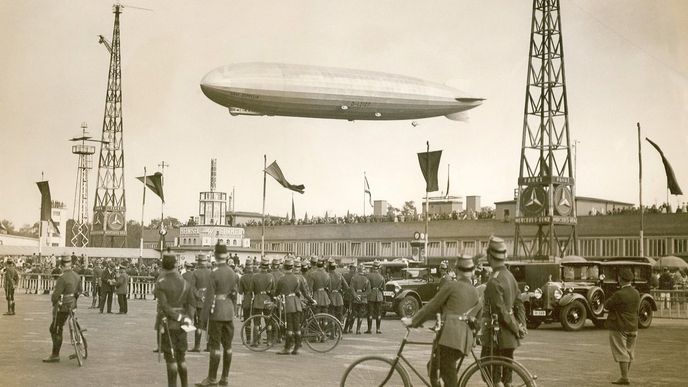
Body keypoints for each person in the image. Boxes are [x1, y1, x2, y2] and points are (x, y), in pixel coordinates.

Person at [402, 255, 481, 387]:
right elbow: (478, 315)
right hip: (464, 340)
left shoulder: (452, 286)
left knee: (448, 375)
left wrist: (413, 321)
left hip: (450, 338)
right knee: (433, 368)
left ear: (457, 270)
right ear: (472, 272)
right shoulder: (475, 291)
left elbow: (432, 305)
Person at [480, 236, 527, 386]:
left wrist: (515, 327)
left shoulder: (494, 281)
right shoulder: (510, 276)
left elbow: (501, 311)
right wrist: (521, 325)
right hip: (510, 337)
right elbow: (519, 303)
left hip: (496, 337)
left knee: (489, 373)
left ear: (489, 256)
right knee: (507, 377)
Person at [196, 243, 238, 387]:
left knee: (215, 346)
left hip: (217, 313)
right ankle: (225, 378)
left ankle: (212, 378)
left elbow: (208, 299)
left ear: (215, 255)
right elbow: (234, 294)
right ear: (226, 256)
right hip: (228, 312)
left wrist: (202, 322)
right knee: (228, 346)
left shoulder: (214, 273)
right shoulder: (232, 272)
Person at [155, 253, 196, 387]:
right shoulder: (185, 283)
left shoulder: (161, 283)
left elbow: (164, 306)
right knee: (181, 358)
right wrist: (187, 319)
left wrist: (177, 316)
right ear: (176, 265)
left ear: (164, 267)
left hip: (168, 324)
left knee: (171, 359)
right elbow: (191, 304)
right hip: (183, 325)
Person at [43, 255, 82, 363]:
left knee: (55, 329)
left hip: (63, 307)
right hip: (73, 306)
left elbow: (55, 296)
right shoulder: (77, 276)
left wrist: (54, 303)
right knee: (63, 324)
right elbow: (79, 291)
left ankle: (55, 355)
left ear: (62, 265)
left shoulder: (62, 278)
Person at [605, 268, 640, 385]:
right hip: (633, 326)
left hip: (619, 326)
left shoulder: (619, 294)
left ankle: (624, 377)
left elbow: (607, 305)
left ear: (620, 279)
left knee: (621, 351)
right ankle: (625, 375)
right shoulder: (636, 293)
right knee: (629, 352)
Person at [275, 257, 311, 355]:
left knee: (289, 327)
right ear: (292, 267)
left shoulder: (281, 279)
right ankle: (297, 348)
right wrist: (311, 300)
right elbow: (305, 293)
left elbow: (276, 292)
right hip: (297, 304)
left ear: (284, 267)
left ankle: (287, 348)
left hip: (288, 304)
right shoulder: (298, 278)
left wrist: (272, 295)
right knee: (297, 327)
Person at [189, 254, 212, 353]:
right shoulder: (211, 273)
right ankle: (209, 345)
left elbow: (192, 288)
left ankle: (197, 346)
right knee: (209, 324)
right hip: (210, 301)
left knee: (198, 324)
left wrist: (199, 295)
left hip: (199, 302)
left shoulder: (195, 273)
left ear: (198, 262)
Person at [365, 260, 385, 334]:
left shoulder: (368, 276)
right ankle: (378, 329)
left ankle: (369, 329)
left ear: (373, 267)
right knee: (379, 313)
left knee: (370, 312)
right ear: (378, 268)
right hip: (379, 296)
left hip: (371, 295)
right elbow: (384, 288)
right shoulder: (381, 277)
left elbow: (366, 286)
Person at [349, 265, 371, 334]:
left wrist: (356, 296)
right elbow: (369, 291)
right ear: (363, 270)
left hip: (355, 298)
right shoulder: (366, 279)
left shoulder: (353, 278)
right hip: (363, 299)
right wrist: (362, 296)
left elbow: (351, 288)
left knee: (353, 313)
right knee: (361, 314)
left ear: (358, 270)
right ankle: (358, 330)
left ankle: (350, 328)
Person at [327, 258, 349, 324]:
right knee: (339, 314)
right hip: (339, 297)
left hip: (330, 296)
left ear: (329, 267)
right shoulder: (339, 275)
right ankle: (338, 329)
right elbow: (346, 287)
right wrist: (342, 291)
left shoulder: (327, 275)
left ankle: (332, 330)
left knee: (331, 314)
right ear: (335, 267)